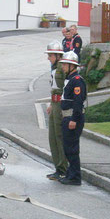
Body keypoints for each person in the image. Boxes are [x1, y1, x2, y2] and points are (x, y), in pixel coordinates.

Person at [58, 50, 87, 186]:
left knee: (72, 148)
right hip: (67, 117)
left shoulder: (77, 81)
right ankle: (71, 173)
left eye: (65, 64)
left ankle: (75, 176)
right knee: (68, 147)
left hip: (72, 118)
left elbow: (78, 101)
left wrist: (74, 120)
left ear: (72, 66)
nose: (63, 67)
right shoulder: (69, 79)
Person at [44, 41, 68, 180]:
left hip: (61, 103)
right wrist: (51, 104)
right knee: (52, 137)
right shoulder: (54, 67)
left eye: (50, 55)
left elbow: (65, 87)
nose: (48, 58)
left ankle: (63, 168)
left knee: (59, 136)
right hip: (55, 102)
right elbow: (54, 87)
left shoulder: (62, 67)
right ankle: (58, 168)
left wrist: (61, 107)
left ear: (57, 56)